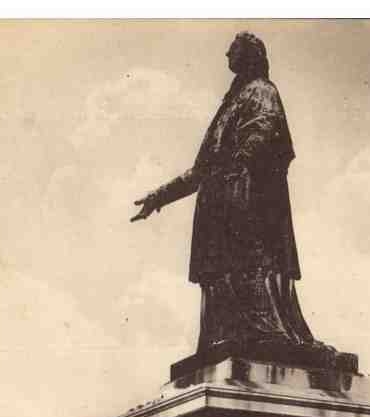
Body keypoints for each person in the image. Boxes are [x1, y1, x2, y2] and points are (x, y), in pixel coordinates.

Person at [131, 32, 315, 352]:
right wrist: (159, 197)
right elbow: (199, 170)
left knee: (251, 278)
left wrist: (239, 175)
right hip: (218, 213)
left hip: (244, 209)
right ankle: (229, 338)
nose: (227, 54)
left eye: (233, 49)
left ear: (249, 55)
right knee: (219, 285)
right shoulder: (231, 103)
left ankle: (264, 337)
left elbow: (265, 134)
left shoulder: (262, 92)